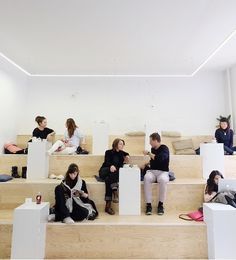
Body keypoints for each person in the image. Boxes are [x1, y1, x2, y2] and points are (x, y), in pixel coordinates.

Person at [99, 138, 130, 215]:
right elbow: (107, 162)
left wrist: (127, 156)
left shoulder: (121, 153)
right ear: (116, 144)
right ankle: (115, 192)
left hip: (113, 174)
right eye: (120, 144)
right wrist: (111, 166)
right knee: (112, 172)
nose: (122, 145)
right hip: (105, 170)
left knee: (108, 180)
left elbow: (126, 153)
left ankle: (108, 206)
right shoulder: (108, 152)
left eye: (123, 144)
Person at [143, 132, 170, 216]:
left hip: (163, 172)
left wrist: (148, 153)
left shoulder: (164, 148)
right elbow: (154, 160)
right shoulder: (153, 149)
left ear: (155, 140)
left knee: (163, 180)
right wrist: (147, 164)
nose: (149, 143)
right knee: (146, 178)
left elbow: (160, 158)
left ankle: (160, 205)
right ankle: (148, 205)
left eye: (150, 141)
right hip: (153, 172)